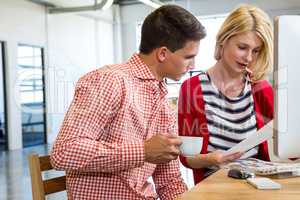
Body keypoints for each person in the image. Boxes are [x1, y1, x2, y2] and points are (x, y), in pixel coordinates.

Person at [50, 4, 206, 200]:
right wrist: (143, 150)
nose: (193, 65)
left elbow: (169, 180)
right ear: (163, 53)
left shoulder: (163, 103)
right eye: (188, 57)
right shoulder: (108, 81)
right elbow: (64, 152)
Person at [178, 4, 273, 184]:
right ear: (223, 40)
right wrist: (211, 159)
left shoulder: (261, 87)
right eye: (242, 47)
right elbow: (187, 158)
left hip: (258, 185)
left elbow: (286, 143)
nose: (249, 58)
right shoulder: (192, 88)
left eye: (256, 51)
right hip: (214, 187)